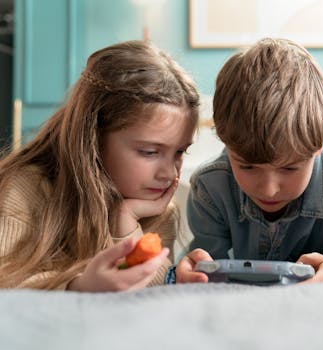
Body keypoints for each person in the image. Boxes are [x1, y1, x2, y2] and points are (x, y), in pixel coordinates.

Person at [172, 38, 323, 284]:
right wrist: (191, 273)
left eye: (289, 168)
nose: (269, 189)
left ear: (319, 144)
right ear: (226, 143)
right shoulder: (210, 186)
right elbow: (207, 273)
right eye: (247, 166)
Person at [0, 40, 200, 291]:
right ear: (93, 138)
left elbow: (151, 290)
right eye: (150, 152)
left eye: (180, 152)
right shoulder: (24, 188)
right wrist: (77, 287)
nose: (169, 173)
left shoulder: (155, 210)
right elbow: (6, 282)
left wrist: (125, 222)